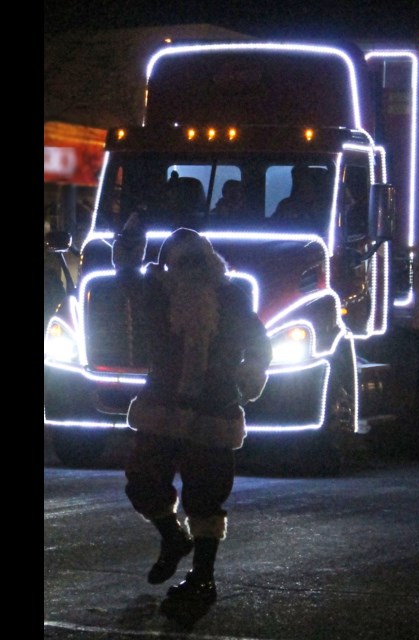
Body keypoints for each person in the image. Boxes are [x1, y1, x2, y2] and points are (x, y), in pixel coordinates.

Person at [112, 219, 272, 605]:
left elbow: (257, 342)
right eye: (180, 263)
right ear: (168, 266)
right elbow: (128, 274)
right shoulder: (157, 294)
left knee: (205, 497)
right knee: (142, 480)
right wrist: (131, 238)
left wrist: (248, 376)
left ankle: (202, 579)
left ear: (210, 262)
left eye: (197, 261)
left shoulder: (231, 298)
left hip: (211, 412)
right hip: (162, 409)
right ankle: (172, 538)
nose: (189, 270)